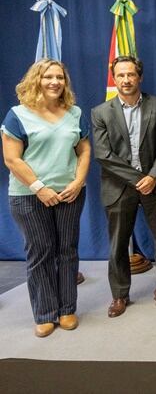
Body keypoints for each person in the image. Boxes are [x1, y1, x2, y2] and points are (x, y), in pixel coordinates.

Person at [1, 60, 90, 337]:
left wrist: (78, 182)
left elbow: (84, 151)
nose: (55, 82)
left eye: (60, 77)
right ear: (36, 80)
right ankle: (44, 313)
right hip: (29, 196)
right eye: (48, 77)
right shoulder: (17, 115)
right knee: (40, 254)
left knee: (67, 252)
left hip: (69, 194)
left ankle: (67, 309)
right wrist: (40, 187)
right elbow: (12, 159)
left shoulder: (74, 113)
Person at [92, 56, 156, 318]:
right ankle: (119, 295)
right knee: (118, 244)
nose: (126, 80)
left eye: (131, 74)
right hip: (119, 188)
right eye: (121, 75)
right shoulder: (100, 112)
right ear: (114, 79)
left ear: (139, 77)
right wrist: (138, 178)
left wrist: (153, 177)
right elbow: (103, 155)